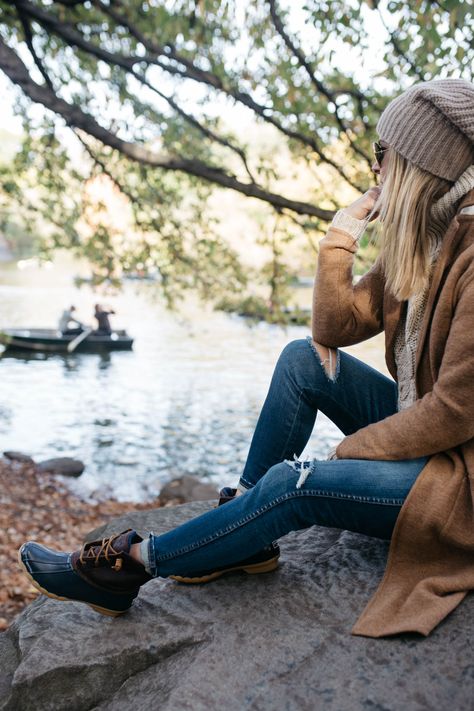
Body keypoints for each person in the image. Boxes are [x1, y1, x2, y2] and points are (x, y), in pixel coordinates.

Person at [19, 79, 474, 638]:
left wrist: (356, 450)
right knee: (302, 360)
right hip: (432, 444)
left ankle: (131, 566)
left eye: (383, 155)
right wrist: (342, 234)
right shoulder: (424, 237)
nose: (374, 168)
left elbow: (456, 410)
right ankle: (239, 535)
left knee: (296, 482)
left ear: (419, 166)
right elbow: (332, 329)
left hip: (460, 481)